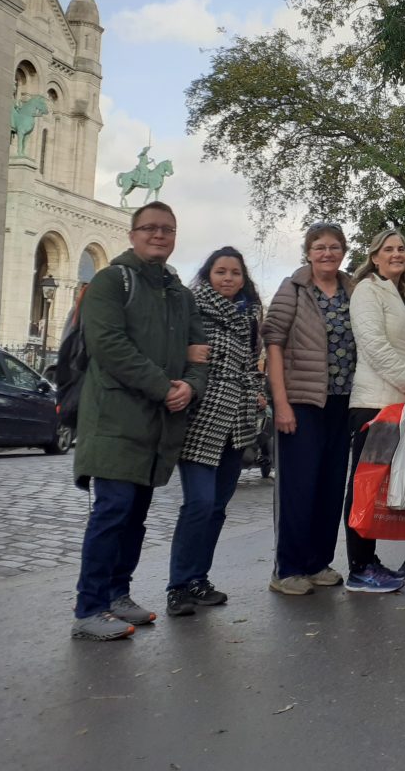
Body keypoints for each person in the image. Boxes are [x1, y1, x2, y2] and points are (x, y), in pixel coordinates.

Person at [71, 201, 209, 641]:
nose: (159, 235)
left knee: (135, 516)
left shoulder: (179, 293)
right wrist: (164, 387)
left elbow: (198, 351)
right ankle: (89, 608)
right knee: (111, 513)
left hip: (157, 427)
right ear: (132, 234)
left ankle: (117, 595)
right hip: (113, 420)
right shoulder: (112, 281)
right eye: (149, 228)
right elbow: (108, 346)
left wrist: (191, 385)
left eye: (167, 229)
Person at [166, 247, 264, 616]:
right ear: (208, 275)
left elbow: (253, 365)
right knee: (199, 504)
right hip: (201, 421)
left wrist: (257, 391)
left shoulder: (249, 316)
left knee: (218, 508)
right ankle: (178, 585)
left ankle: (198, 580)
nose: (228, 278)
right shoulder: (193, 310)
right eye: (221, 271)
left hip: (236, 425)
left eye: (235, 272)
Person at [262, 222, 356, 596]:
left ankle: (318, 561)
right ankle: (287, 567)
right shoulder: (294, 289)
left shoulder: (353, 290)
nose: (327, 254)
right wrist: (280, 403)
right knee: (298, 487)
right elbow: (274, 343)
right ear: (308, 252)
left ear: (344, 252)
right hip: (301, 403)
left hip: (341, 402)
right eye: (320, 247)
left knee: (330, 486)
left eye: (334, 247)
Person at [344, 229, 405, 593]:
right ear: (375, 256)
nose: (397, 254)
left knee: (383, 489)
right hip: (375, 404)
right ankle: (359, 566)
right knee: (365, 486)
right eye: (389, 249)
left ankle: (371, 561)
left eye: (402, 248)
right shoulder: (368, 291)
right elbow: (373, 345)